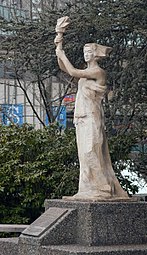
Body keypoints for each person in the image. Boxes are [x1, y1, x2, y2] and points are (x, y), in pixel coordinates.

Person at [56, 42, 128, 200]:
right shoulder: (86, 73)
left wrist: (62, 55)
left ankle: (102, 188)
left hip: (92, 115)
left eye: (89, 52)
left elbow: (73, 71)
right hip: (81, 116)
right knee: (83, 154)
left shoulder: (98, 72)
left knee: (91, 151)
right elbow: (65, 69)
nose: (86, 54)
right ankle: (86, 189)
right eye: (84, 51)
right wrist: (59, 49)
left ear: (95, 54)